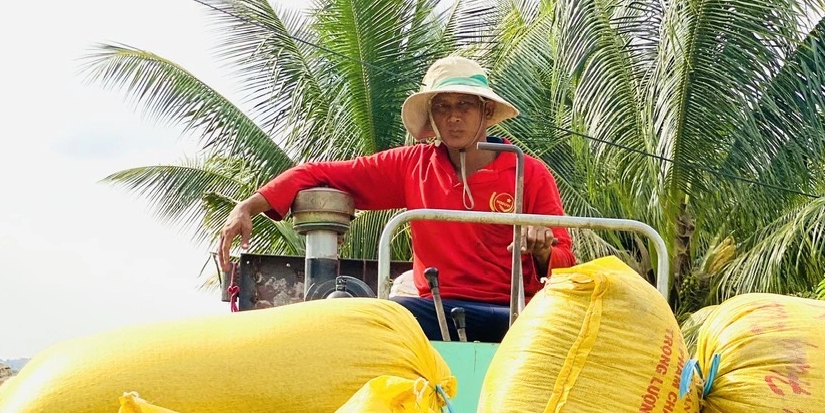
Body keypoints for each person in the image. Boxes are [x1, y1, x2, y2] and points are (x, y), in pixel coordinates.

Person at [217, 56, 576, 341]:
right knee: (371, 322)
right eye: (443, 106)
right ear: (432, 116)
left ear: (486, 111)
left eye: (465, 105)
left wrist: (543, 250)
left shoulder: (529, 172)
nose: (453, 117)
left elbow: (566, 261)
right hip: (436, 310)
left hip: (517, 314)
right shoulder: (412, 165)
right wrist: (247, 206)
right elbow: (318, 173)